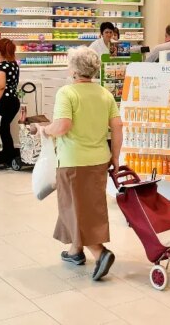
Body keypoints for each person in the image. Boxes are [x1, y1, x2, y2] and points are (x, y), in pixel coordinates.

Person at [33, 46, 121, 281]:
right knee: (88, 206)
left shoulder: (67, 93)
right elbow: (117, 126)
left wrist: (45, 130)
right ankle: (75, 251)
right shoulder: (105, 94)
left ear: (74, 70)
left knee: (71, 207)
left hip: (74, 161)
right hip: (99, 160)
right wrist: (115, 157)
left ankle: (100, 252)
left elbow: (62, 126)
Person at [0, 38, 20, 169]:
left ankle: (8, 159)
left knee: (2, 130)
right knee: (4, 129)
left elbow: (0, 87)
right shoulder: (14, 64)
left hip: (4, 102)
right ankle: (9, 159)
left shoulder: (2, 67)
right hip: (13, 101)